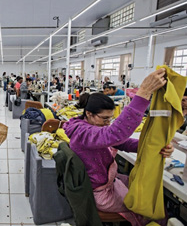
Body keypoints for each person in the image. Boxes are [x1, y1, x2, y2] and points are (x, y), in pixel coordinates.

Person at [63, 68, 173, 225]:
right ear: (89, 114)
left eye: (110, 119)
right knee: (145, 206)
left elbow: (122, 142)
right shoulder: (83, 133)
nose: (108, 123)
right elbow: (113, 135)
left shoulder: (90, 128)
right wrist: (143, 93)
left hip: (108, 182)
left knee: (145, 190)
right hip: (100, 192)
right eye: (105, 119)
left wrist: (155, 147)